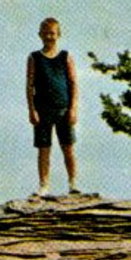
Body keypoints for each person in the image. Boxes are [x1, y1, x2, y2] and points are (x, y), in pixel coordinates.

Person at [26, 16, 79, 195]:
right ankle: (44, 185)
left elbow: (73, 83)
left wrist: (73, 109)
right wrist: (31, 110)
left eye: (53, 33)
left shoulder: (66, 56)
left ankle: (73, 184)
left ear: (59, 34)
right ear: (40, 34)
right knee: (44, 149)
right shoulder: (34, 57)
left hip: (63, 108)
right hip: (42, 109)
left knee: (68, 147)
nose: (49, 37)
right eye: (46, 33)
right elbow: (29, 85)